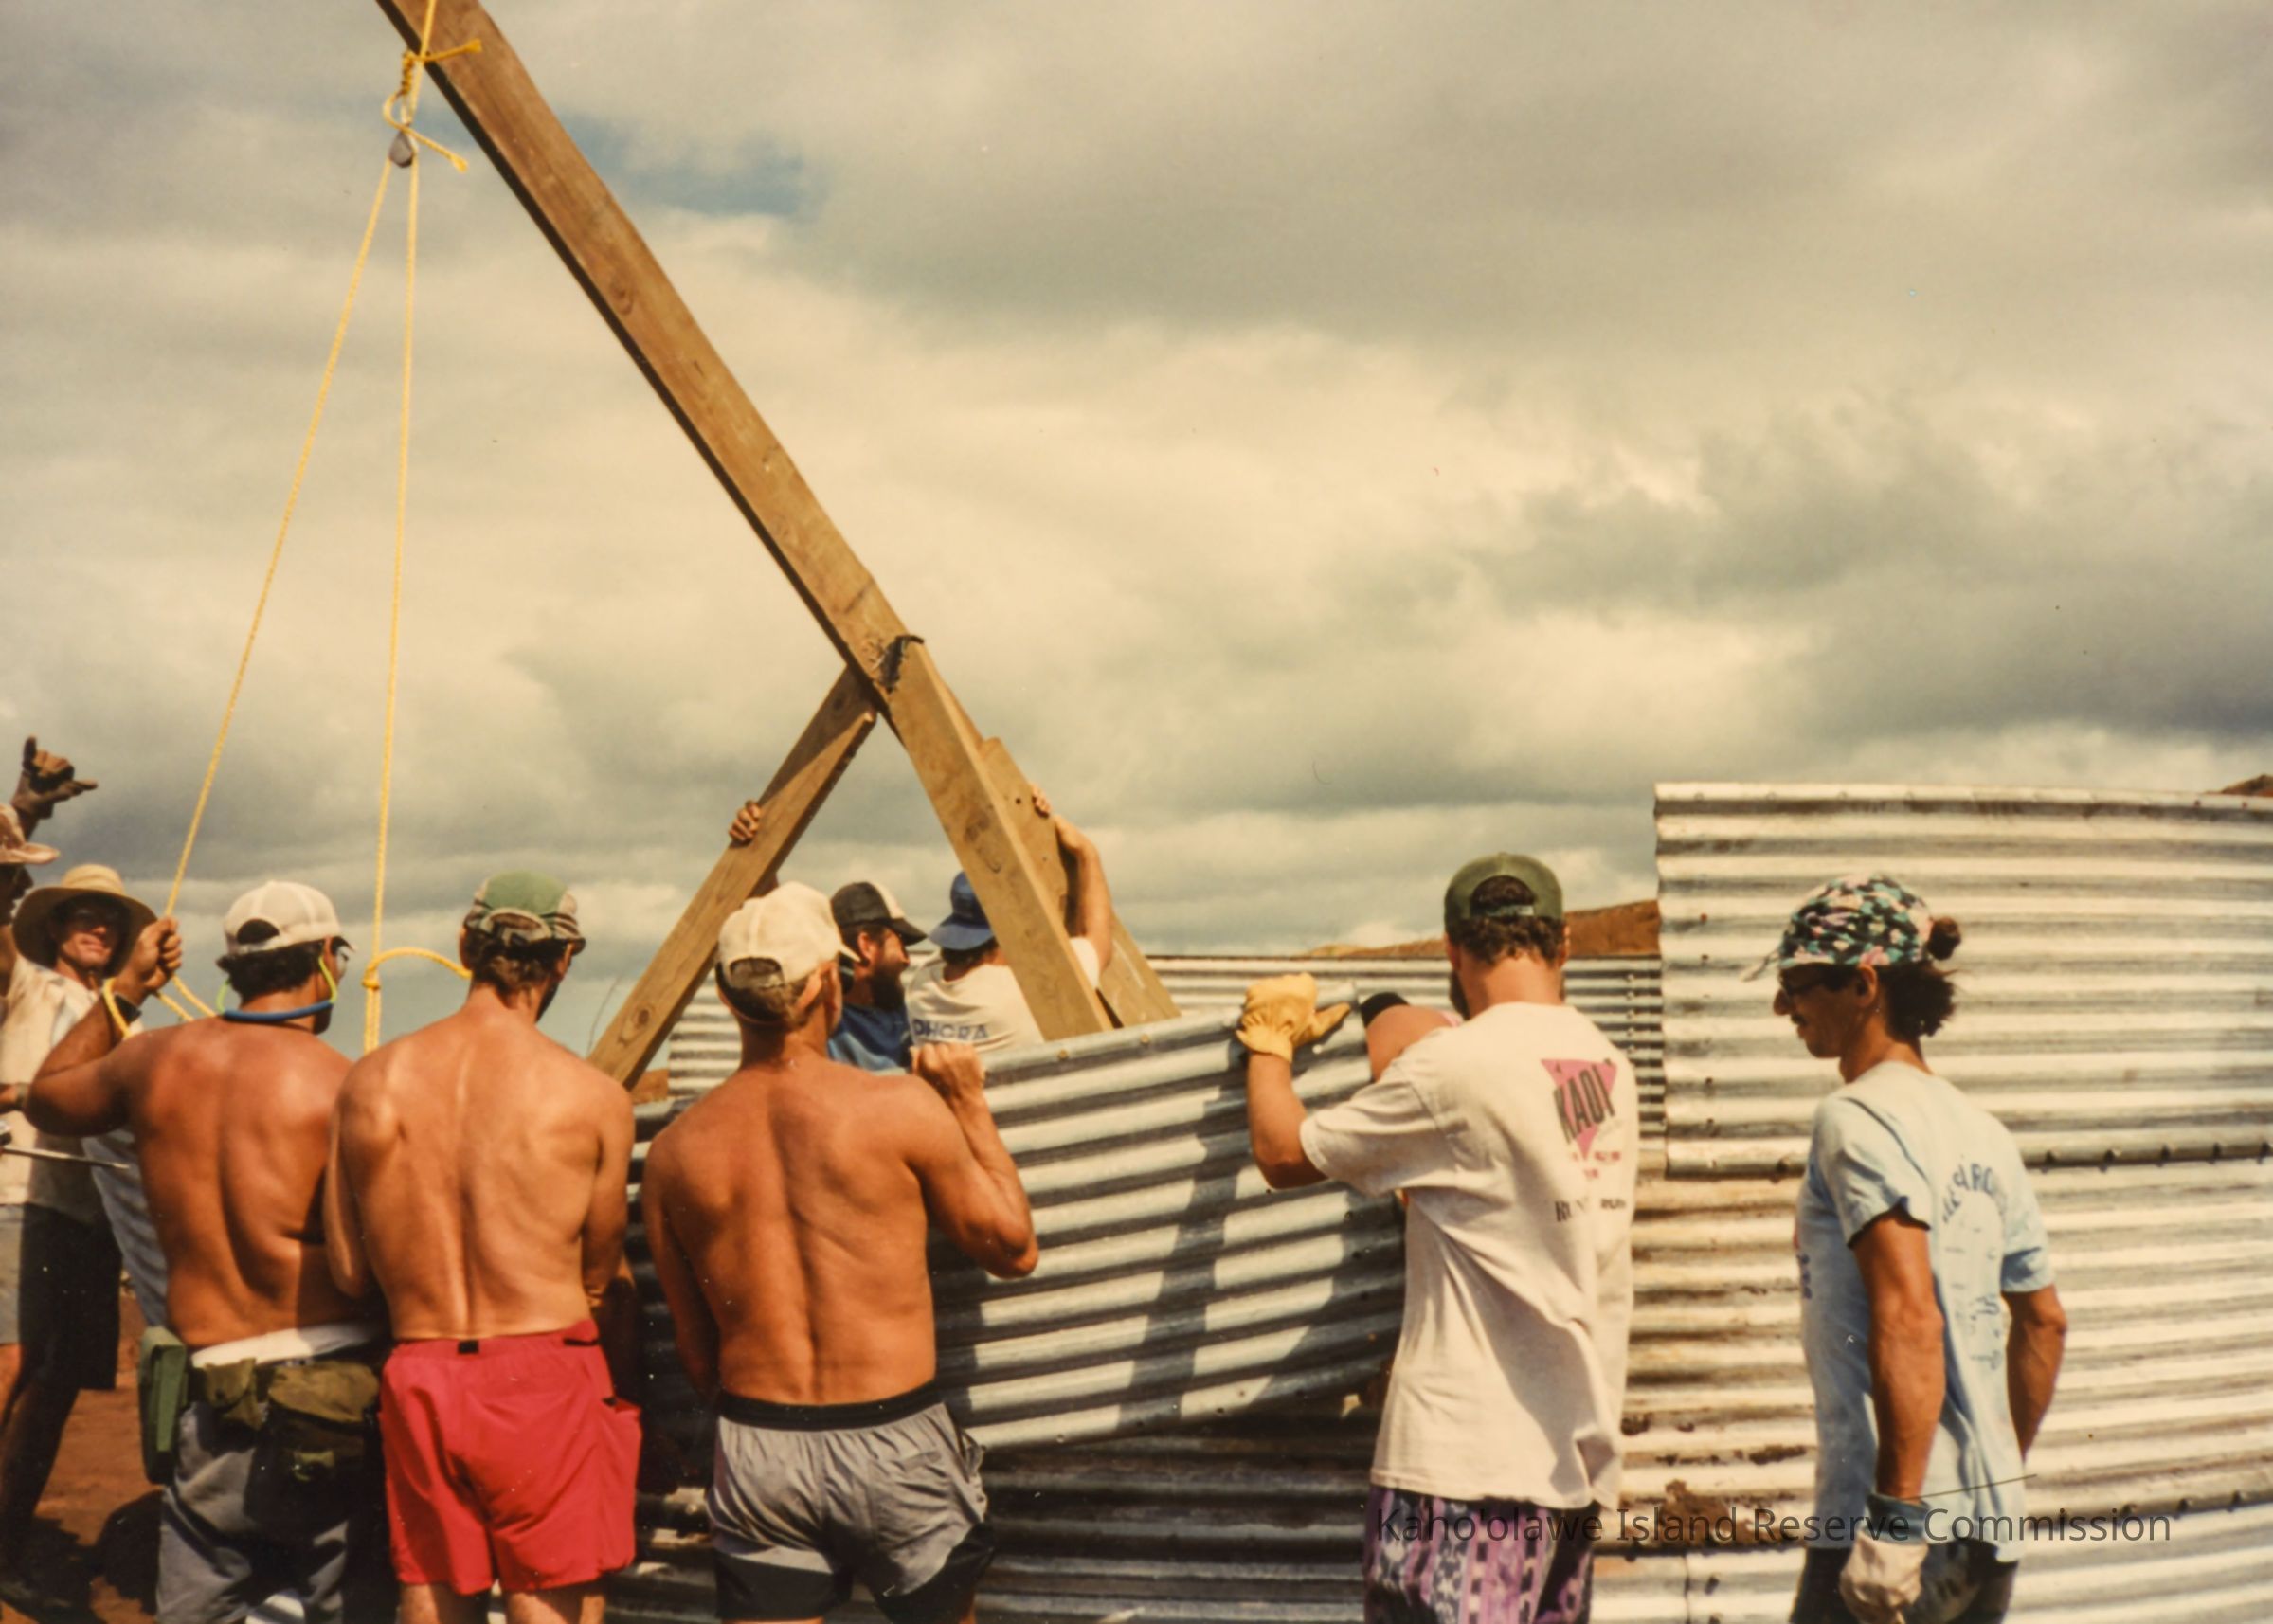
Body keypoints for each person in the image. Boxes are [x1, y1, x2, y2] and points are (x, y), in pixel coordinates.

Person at [1236, 854, 1638, 1624]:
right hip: (1571, 1472)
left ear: (1452, 950)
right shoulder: (1608, 1067)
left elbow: (1284, 1154)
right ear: (1562, 945)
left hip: (1459, 1471)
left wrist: (1268, 1045)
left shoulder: (1449, 1068)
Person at [641, 883, 1037, 1624]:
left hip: (760, 1445)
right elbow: (1013, 1250)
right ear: (828, 981)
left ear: (726, 999)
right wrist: (968, 1105)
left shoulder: (672, 1156)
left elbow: (696, 1356)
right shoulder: (899, 1110)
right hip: (895, 1438)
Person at [29, 880, 396, 1624]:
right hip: (331, 1390)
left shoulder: (153, 1064)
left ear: (234, 968)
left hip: (211, 1391)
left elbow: (48, 1095)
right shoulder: (342, 1084)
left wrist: (127, 990)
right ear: (326, 960)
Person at [326, 870, 639, 1624]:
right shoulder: (590, 1096)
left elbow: (349, 1272)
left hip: (421, 1368)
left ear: (465, 946)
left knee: (431, 1591)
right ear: (564, 959)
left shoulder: (370, 1083)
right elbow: (599, 1277)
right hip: (542, 1370)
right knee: (549, 1594)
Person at [1758, 876, 2066, 1624]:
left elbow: (1908, 1316)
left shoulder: (1855, 1117)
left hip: (1891, 1524)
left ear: (1863, 985)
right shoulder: (1982, 1130)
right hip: (1984, 1527)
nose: (1782, 1007)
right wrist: (1991, 1470)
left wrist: (1896, 1523)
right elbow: (2044, 1322)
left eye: (1796, 985)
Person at [903, 791, 1113, 1056]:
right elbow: (1099, 943)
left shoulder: (922, 986)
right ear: (1004, 936)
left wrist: (1019, 805)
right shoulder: (1025, 992)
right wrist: (1088, 855)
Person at [724, 802, 929, 1073]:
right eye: (900, 942)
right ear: (867, 945)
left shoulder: (902, 1012)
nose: (907, 959)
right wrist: (756, 842)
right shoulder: (821, 1013)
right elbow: (773, 925)